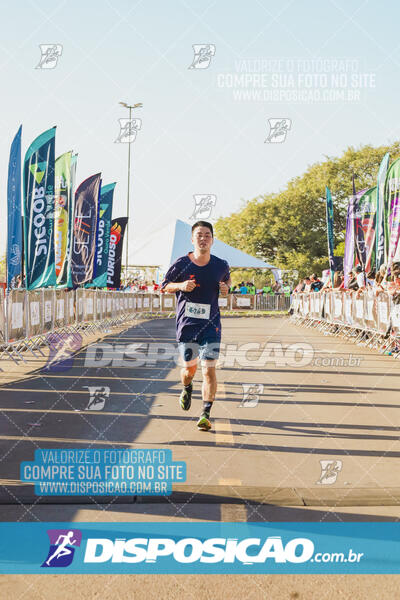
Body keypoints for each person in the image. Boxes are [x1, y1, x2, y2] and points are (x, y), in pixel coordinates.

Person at [161, 221, 231, 432]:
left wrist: (226, 289)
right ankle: (187, 386)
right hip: (188, 326)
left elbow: (227, 283)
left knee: (209, 370)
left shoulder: (221, 265)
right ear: (192, 239)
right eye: (199, 235)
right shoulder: (181, 263)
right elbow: (164, 286)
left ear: (212, 239)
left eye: (207, 235)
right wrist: (181, 285)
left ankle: (205, 413)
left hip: (211, 326)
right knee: (189, 370)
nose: (203, 238)